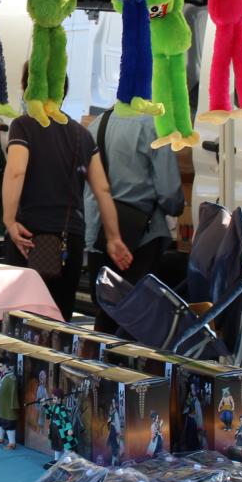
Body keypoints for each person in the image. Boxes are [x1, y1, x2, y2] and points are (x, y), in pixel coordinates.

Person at [3, 66, 132, 320]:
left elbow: (16, 171)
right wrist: (114, 237)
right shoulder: (82, 135)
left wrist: (9, 219)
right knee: (59, 322)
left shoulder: (24, 126)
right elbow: (102, 189)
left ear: (28, 88)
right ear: (64, 91)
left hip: (30, 239)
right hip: (70, 241)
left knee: (23, 323)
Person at [84, 108, 186, 332]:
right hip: (140, 237)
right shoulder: (155, 125)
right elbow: (170, 194)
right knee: (136, 317)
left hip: (97, 231)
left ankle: (98, 363)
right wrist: (178, 208)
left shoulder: (98, 123)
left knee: (105, 311)